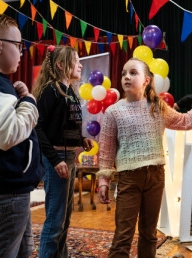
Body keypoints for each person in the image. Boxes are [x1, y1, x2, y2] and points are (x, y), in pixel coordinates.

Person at [97, 57, 192, 258]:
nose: (126, 77)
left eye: (133, 73)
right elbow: (106, 149)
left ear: (146, 80)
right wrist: (103, 180)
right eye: (123, 74)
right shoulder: (113, 112)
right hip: (129, 178)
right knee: (123, 236)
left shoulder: (158, 107)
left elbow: (187, 121)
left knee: (149, 234)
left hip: (155, 176)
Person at [32, 45, 93, 258]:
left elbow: (63, 125)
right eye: (76, 61)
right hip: (56, 160)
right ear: (60, 65)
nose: (80, 64)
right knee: (55, 220)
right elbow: (37, 127)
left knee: (65, 218)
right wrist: (55, 159)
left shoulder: (70, 91)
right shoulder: (51, 90)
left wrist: (81, 138)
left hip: (68, 158)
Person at [0, 14, 44, 257]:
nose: (21, 53)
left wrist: (21, 98)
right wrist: (29, 101)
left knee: (23, 250)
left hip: (16, 189)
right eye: (18, 46)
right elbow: (8, 134)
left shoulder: (5, 85)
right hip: (9, 192)